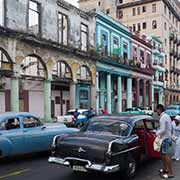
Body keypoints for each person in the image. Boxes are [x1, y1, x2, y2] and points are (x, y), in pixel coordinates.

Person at [156, 104, 173, 179]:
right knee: (162, 155)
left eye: (156, 110)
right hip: (166, 137)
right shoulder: (166, 116)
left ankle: (170, 173)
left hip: (165, 138)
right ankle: (166, 169)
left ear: (159, 109)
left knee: (165, 156)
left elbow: (163, 129)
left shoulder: (163, 117)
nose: (156, 112)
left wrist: (156, 132)